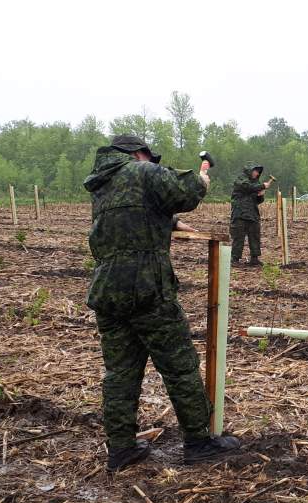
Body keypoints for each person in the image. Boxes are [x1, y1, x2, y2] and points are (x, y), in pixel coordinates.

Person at [83, 134, 240, 472]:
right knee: (179, 365)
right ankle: (199, 441)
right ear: (138, 154)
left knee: (120, 372)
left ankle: (121, 448)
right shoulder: (142, 171)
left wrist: (169, 222)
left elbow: (132, 217)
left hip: (108, 292)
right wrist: (201, 179)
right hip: (146, 289)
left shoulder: (103, 186)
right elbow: (185, 191)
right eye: (149, 157)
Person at [230, 162, 274, 265]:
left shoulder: (256, 183)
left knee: (255, 236)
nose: (257, 174)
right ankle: (235, 259)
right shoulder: (241, 179)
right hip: (240, 213)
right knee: (238, 236)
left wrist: (260, 195)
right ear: (250, 170)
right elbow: (246, 187)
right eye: (255, 171)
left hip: (252, 213)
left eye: (258, 172)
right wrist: (262, 186)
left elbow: (258, 201)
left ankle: (255, 258)